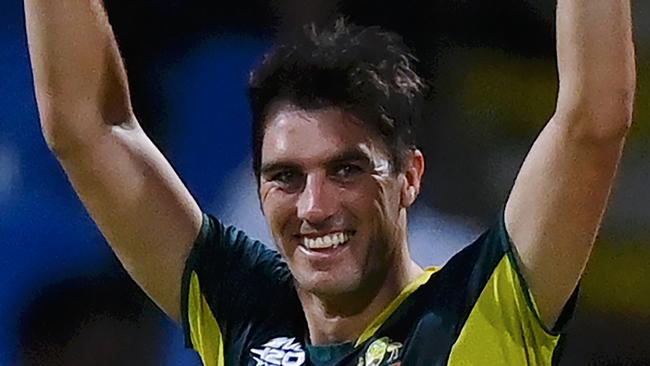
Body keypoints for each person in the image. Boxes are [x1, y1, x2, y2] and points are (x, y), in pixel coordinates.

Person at [24, 1, 635, 365]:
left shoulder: (481, 308)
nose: (314, 207)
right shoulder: (246, 315)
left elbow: (593, 120)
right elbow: (88, 128)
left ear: (408, 177)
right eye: (286, 177)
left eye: (346, 169)